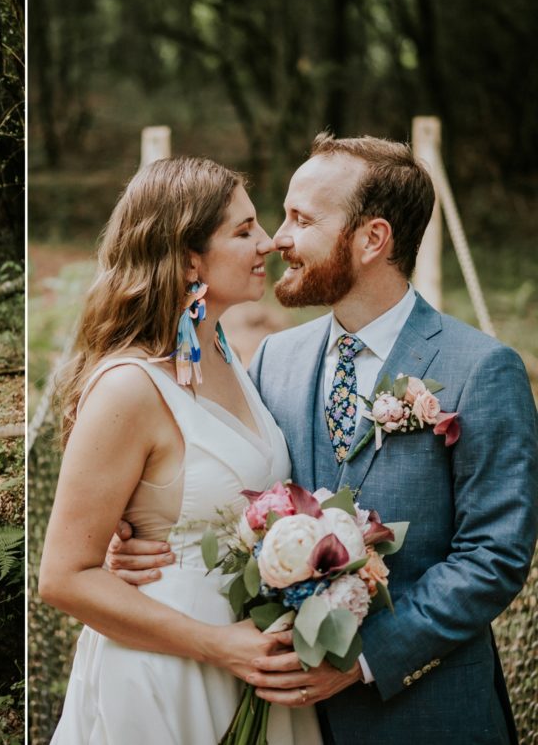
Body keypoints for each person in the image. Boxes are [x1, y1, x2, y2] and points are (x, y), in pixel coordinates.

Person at [108, 134, 538, 744]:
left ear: (372, 239)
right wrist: (136, 538)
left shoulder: (482, 369)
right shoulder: (271, 361)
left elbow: (493, 557)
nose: (277, 238)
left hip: (428, 713)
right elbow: (231, 491)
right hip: (287, 716)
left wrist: (360, 659)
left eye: (301, 219)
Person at [38, 157, 322, 744]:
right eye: (243, 231)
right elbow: (63, 577)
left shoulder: (220, 351)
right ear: (189, 257)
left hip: (250, 666)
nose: (267, 243)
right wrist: (221, 647)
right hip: (167, 672)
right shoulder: (127, 387)